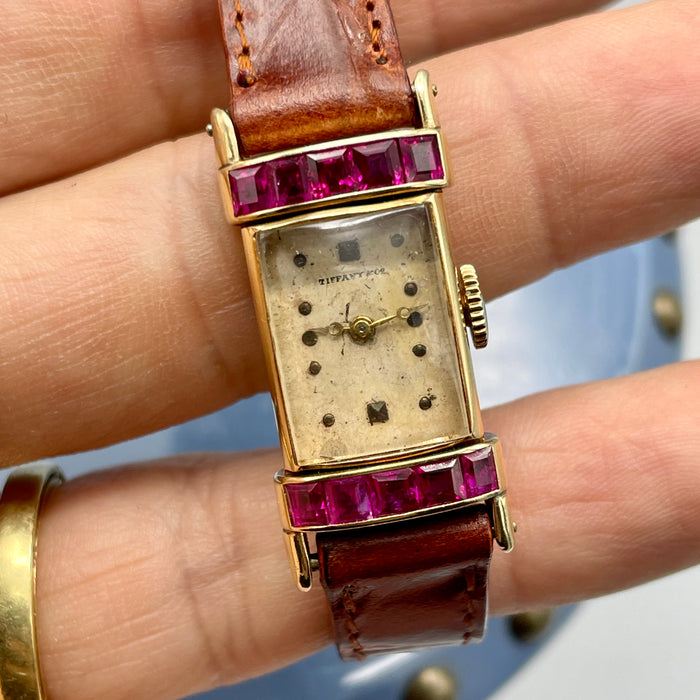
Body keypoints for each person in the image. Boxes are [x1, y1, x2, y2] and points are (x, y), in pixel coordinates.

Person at [0, 0, 698, 698]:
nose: (361, 330)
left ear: (461, 303)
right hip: (380, 499)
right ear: (465, 305)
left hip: (408, 493)